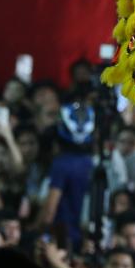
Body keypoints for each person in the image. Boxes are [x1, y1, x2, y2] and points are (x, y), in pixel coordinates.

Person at [38, 102, 96, 248]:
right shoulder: (94, 163)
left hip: (64, 238)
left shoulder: (61, 164)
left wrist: (35, 230)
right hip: (88, 239)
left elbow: (49, 211)